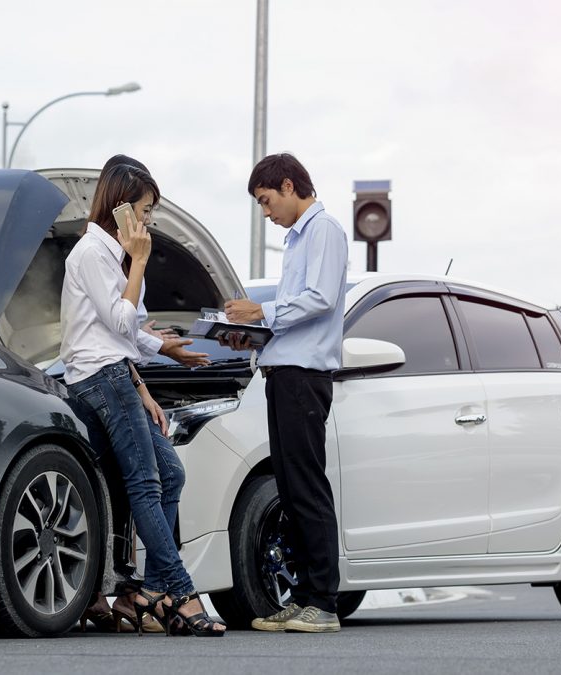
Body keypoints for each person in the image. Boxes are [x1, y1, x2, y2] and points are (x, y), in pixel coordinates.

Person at [61, 162, 225, 637]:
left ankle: (152, 588)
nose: (150, 220)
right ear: (123, 207)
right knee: (146, 485)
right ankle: (180, 591)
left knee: (170, 473)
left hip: (115, 375)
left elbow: (129, 328)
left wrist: (164, 352)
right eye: (147, 210)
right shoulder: (94, 252)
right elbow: (118, 323)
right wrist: (140, 261)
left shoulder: (111, 254)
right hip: (101, 380)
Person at [224, 153, 349, 633]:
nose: (266, 212)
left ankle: (323, 601)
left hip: (304, 377)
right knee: (292, 491)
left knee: (307, 487)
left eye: (266, 200)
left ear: (290, 185)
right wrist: (250, 332)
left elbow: (319, 299)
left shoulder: (325, 230)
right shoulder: (298, 239)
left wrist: (262, 314)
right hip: (283, 373)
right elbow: (295, 312)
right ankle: (302, 598)